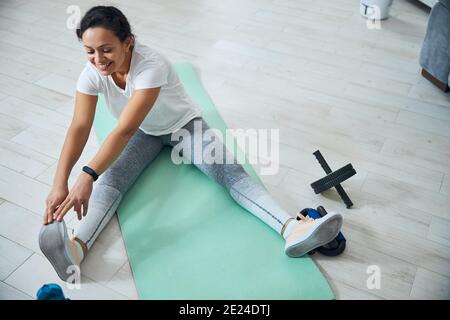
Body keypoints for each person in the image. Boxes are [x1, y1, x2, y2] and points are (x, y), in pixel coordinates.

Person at [39, 6, 343, 282]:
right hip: (145, 132)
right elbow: (79, 126)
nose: (97, 59)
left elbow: (124, 129)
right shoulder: (92, 72)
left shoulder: (150, 66)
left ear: (128, 42)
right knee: (112, 181)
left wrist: (86, 175)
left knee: (229, 173)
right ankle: (76, 249)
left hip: (184, 127)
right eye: (89, 51)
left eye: (106, 49)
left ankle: (293, 229)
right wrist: (60, 182)